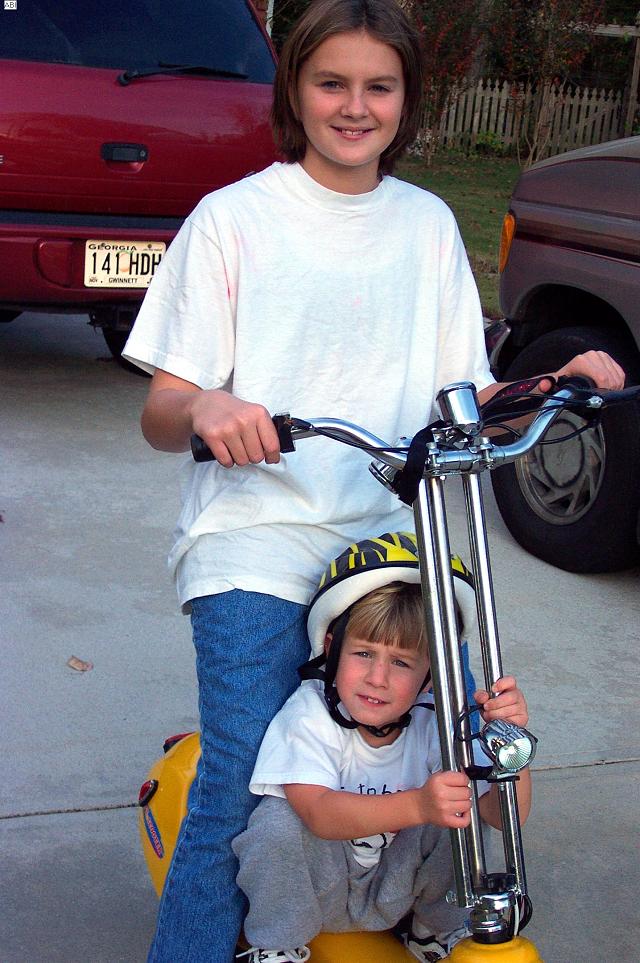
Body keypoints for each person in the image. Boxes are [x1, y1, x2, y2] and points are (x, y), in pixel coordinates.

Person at [122, 1, 623, 959]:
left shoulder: (425, 225)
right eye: (332, 83)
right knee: (242, 773)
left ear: (406, 99)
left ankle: (428, 912)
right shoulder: (233, 219)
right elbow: (162, 411)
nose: (355, 106)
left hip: (392, 541)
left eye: (378, 86)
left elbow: (464, 397)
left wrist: (550, 381)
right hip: (257, 538)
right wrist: (207, 406)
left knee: (477, 741)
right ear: (295, 91)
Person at [232, 532, 532, 963]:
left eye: (402, 662)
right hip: (318, 889)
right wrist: (419, 805)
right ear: (332, 651)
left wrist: (511, 746)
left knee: (463, 811)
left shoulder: (439, 723)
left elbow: (503, 818)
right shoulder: (308, 714)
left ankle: (434, 931)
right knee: (277, 822)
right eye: (364, 654)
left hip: (396, 890)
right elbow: (318, 812)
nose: (378, 678)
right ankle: (276, 943)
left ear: (430, 676)